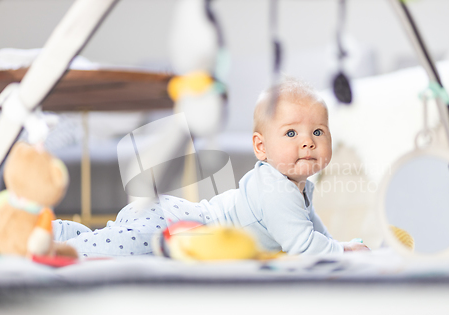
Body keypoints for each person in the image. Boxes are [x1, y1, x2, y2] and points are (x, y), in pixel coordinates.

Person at [54, 77, 369, 257]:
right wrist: (342, 255)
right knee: (110, 252)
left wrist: (341, 245)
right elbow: (303, 245)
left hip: (178, 220)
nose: (308, 142)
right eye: (291, 133)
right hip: (176, 226)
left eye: (318, 132)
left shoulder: (296, 187)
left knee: (113, 237)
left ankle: (57, 231)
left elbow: (313, 228)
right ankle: (57, 249)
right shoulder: (275, 189)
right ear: (261, 147)